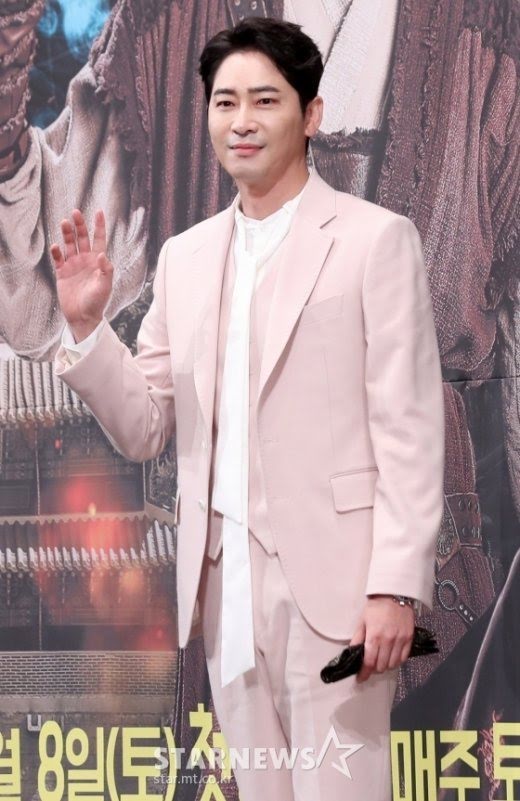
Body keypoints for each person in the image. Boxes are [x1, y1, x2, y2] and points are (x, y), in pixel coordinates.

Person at [51, 17, 444, 801]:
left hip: (338, 592)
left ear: (311, 113)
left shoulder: (375, 240)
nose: (242, 120)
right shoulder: (185, 257)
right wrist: (90, 330)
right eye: (225, 102)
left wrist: (395, 586)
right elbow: (146, 427)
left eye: (265, 100)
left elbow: (409, 427)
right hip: (224, 589)